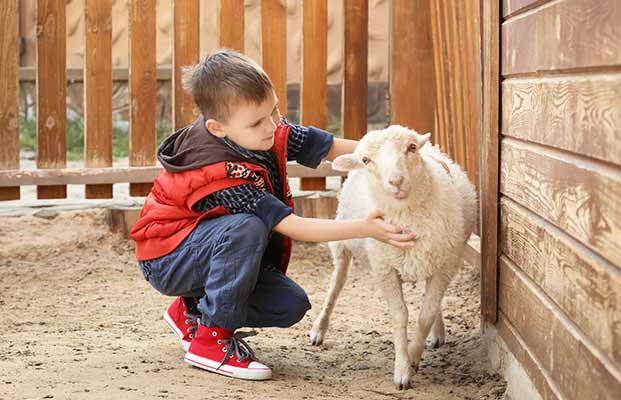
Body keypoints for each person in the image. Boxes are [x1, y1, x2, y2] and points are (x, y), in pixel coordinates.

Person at [130, 49, 417, 381]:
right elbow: (292, 226)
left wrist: (390, 153)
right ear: (217, 127)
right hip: (167, 258)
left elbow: (327, 147)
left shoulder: (262, 131)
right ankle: (210, 342)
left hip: (200, 249)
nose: (272, 126)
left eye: (275, 110)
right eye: (257, 122)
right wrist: (365, 228)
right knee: (246, 228)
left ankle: (190, 310)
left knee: (289, 304)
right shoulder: (220, 173)